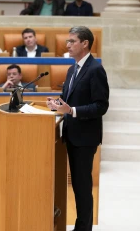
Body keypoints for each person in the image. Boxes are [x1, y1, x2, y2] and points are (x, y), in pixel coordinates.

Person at [46, 26, 109, 231]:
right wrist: (57, 104)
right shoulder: (73, 68)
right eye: (68, 41)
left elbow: (101, 106)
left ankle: (84, 228)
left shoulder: (95, 69)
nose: (67, 45)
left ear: (85, 43)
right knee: (78, 187)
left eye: (72, 41)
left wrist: (71, 110)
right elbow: (69, 99)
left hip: (85, 138)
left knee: (82, 188)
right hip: (71, 135)